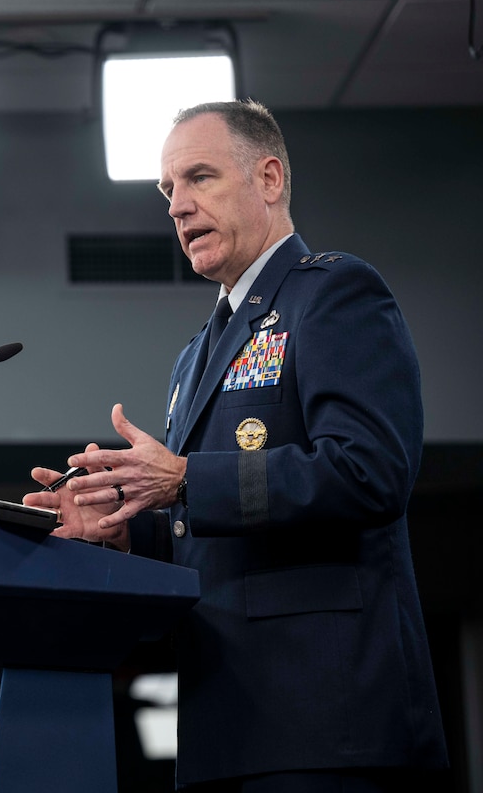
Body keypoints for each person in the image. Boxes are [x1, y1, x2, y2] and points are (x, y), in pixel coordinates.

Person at [23, 100, 449, 792]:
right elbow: (212, 530)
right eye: (167, 190)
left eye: (199, 178)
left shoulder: (335, 294)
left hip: (327, 724)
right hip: (224, 722)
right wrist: (126, 531)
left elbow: (371, 473)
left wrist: (188, 478)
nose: (177, 207)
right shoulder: (196, 355)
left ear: (270, 179)